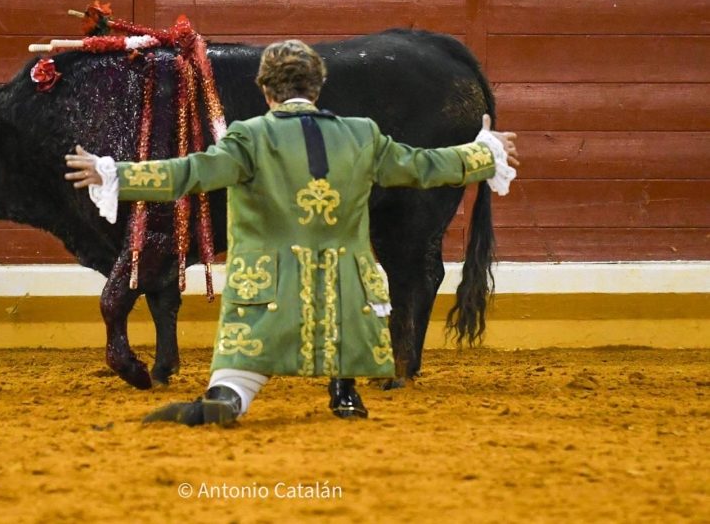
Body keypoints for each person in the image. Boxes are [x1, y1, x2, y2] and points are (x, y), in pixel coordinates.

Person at [65, 39, 519, 425]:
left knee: (233, 382)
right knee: (345, 308)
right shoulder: (362, 135)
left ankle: (230, 394)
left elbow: (187, 173)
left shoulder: (248, 137)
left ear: (265, 90)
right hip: (346, 311)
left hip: (267, 302)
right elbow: (424, 165)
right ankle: (344, 389)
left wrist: (114, 173)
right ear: (318, 87)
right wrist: (484, 153)